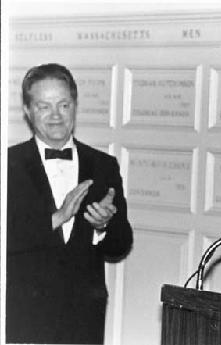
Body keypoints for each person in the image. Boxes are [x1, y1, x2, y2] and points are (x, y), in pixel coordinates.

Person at [6, 63, 134, 344]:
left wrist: (104, 226)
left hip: (83, 316)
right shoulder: (7, 165)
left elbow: (121, 244)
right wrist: (56, 218)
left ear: (75, 106)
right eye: (43, 106)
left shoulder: (103, 165)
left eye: (63, 105)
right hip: (23, 314)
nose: (55, 116)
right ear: (27, 111)